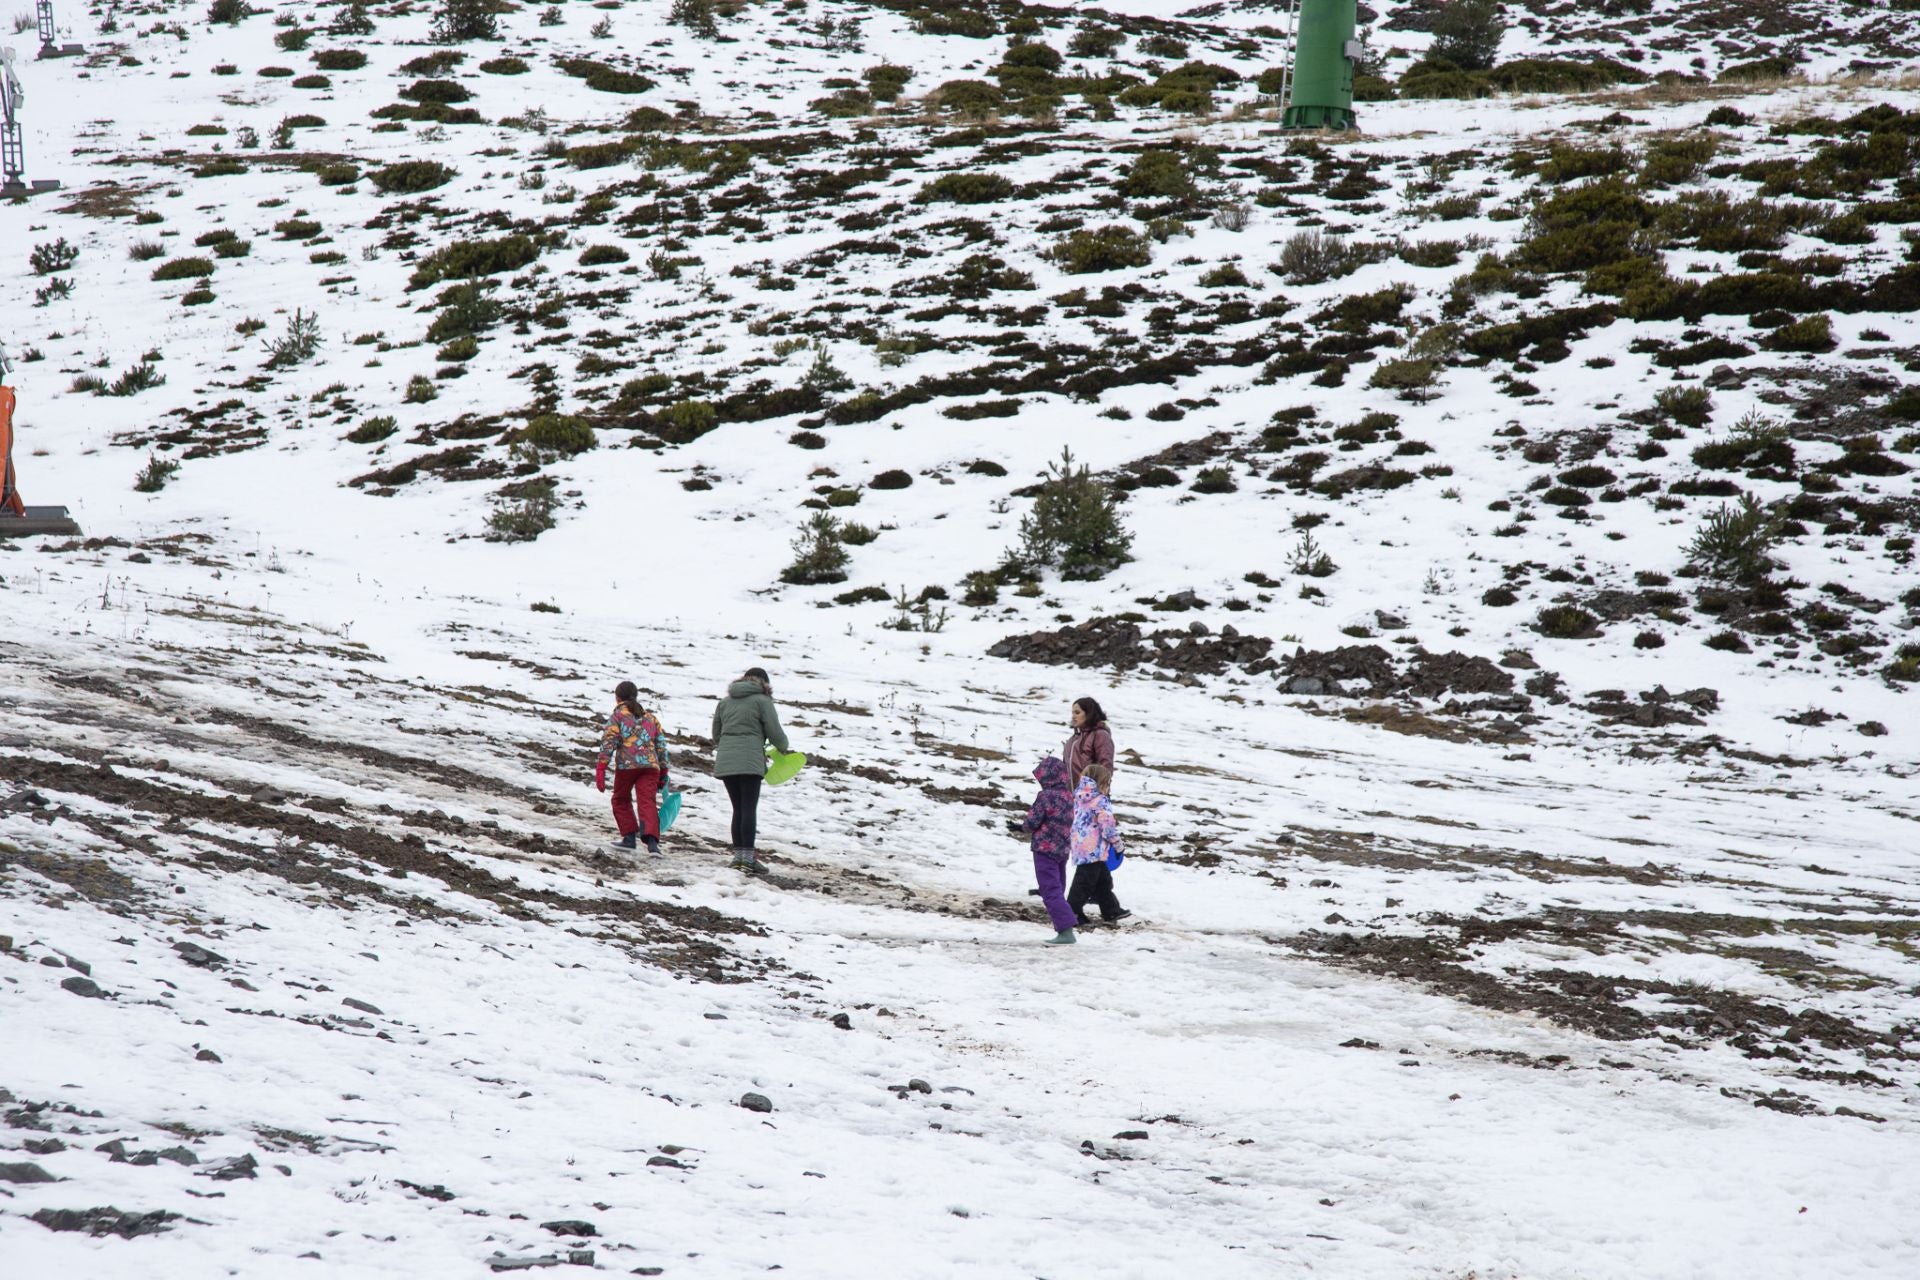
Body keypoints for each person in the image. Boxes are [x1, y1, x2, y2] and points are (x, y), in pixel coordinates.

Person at [711, 666, 788, 874]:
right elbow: (775, 732)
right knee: (748, 808)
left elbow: (716, 735)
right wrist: (783, 747)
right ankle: (747, 860)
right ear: (764, 683)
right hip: (750, 761)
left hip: (727, 760)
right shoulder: (762, 701)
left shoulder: (724, 702)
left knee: (738, 809)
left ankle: (738, 858)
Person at [594, 681, 669, 855]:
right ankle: (652, 844)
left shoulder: (618, 716)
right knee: (647, 801)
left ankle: (629, 838)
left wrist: (601, 768)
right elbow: (661, 746)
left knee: (620, 799)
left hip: (627, 766)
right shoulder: (650, 718)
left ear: (617, 698)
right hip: (650, 767)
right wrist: (663, 771)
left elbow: (608, 742)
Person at [1023, 757, 1078, 946]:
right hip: (1063, 849)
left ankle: (1066, 930)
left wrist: (1022, 827)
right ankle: (1065, 926)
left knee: (1050, 890)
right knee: (1058, 888)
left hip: (1044, 849)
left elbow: (1032, 822)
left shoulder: (1045, 796)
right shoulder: (1069, 796)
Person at [1068, 763, 1130, 926]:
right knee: (1083, 883)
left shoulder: (1079, 796)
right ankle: (1072, 912)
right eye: (1108, 783)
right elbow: (1107, 825)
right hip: (1094, 848)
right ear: (1102, 782)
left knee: (1103, 880)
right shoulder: (1100, 800)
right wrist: (1117, 844)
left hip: (1080, 844)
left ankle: (1111, 909)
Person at [1064, 696, 1114, 790]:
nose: (1073, 716)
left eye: (1077, 713)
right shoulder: (1073, 739)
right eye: (1072, 713)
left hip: (1091, 794)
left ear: (1089, 714)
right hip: (1071, 795)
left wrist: (1097, 791)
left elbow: (1105, 767)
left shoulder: (1100, 735)